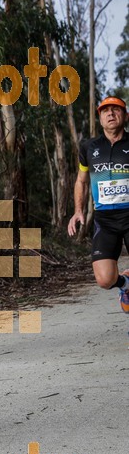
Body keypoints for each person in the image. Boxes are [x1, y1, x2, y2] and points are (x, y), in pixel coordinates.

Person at [68, 95, 129, 311]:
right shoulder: (88, 147)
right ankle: (126, 284)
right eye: (105, 111)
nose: (110, 114)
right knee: (105, 280)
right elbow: (81, 181)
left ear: (126, 116)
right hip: (105, 219)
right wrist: (78, 211)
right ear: (100, 118)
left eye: (116, 109)